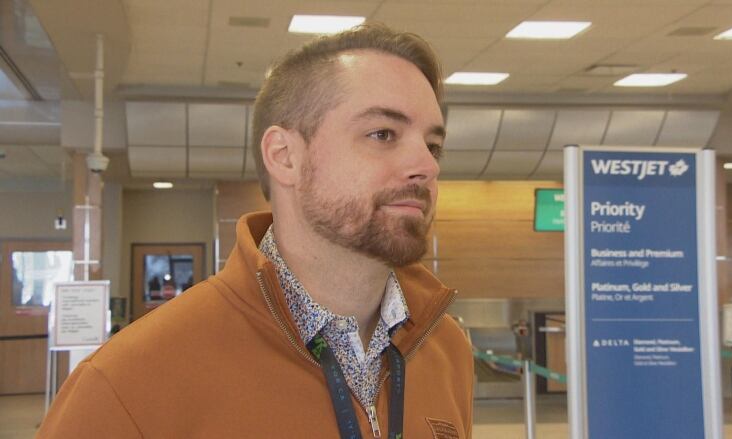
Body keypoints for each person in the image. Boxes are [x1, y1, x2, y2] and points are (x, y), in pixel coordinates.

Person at [37, 23, 473, 438]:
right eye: (383, 133)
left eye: (433, 145)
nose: (427, 166)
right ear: (284, 156)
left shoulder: (444, 349)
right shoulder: (128, 382)